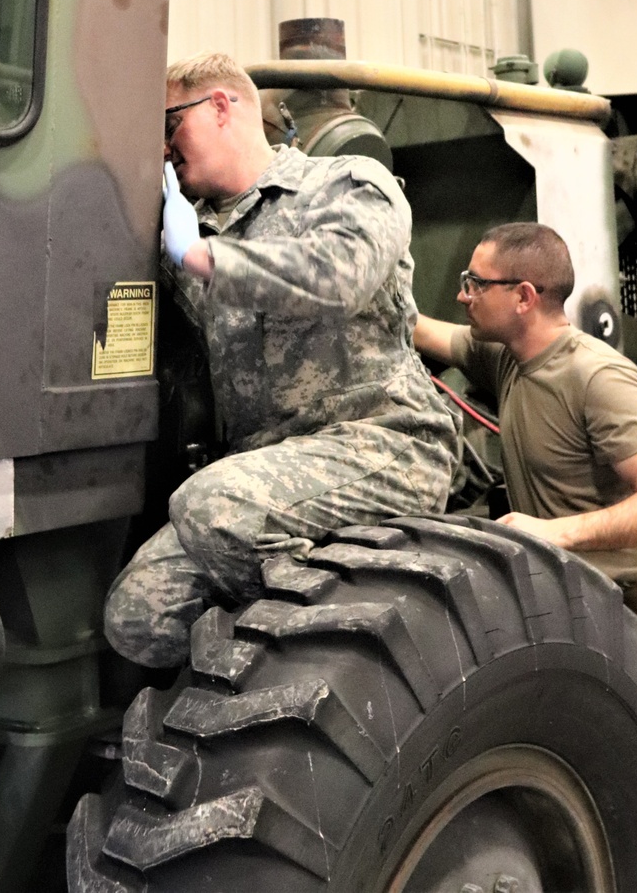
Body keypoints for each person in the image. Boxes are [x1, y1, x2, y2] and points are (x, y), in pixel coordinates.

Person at [412, 221, 637, 893]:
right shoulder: (503, 357)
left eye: (474, 284)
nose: (462, 296)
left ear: (524, 296)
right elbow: (425, 332)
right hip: (579, 624)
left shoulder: (597, 377)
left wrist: (555, 532)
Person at [104, 51, 460, 669]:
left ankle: (358, 661)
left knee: (208, 507)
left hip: (384, 443)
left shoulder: (345, 183)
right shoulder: (196, 226)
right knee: (138, 615)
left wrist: (200, 258)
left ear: (221, 106)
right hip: (267, 473)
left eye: (169, 126)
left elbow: (338, 277)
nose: (163, 150)